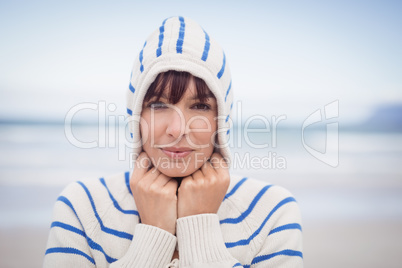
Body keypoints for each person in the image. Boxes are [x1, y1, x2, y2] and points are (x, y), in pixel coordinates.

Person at [44, 16, 303, 267]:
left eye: (200, 106)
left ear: (221, 119)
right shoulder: (82, 207)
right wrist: (153, 234)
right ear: (135, 114)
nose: (178, 129)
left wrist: (200, 230)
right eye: (158, 104)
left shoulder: (271, 211)